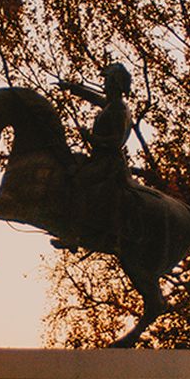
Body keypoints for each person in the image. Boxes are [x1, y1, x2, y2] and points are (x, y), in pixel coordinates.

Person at [54, 62, 137, 250]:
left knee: (78, 180)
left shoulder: (118, 109)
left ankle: (74, 233)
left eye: (107, 80)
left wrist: (90, 137)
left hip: (109, 162)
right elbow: (92, 97)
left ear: (115, 84)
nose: (104, 83)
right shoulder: (111, 104)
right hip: (100, 158)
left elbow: (116, 141)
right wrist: (71, 88)